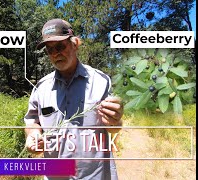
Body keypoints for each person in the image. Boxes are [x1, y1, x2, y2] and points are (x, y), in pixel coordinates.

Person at [23, 18, 123, 180]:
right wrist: (32, 135)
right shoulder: (41, 88)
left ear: (75, 44)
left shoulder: (100, 81)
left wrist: (115, 121)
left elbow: (113, 128)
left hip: (95, 175)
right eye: (50, 50)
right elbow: (32, 122)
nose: (55, 53)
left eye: (60, 46)